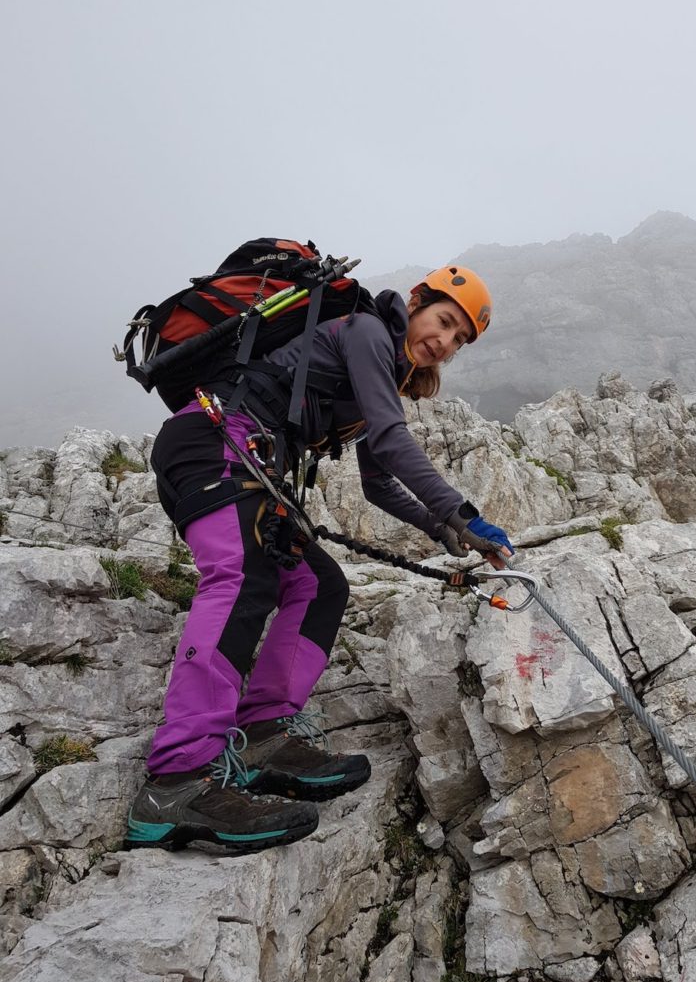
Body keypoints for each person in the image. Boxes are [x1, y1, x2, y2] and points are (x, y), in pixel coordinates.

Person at [125, 263, 514, 853]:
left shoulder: (378, 368)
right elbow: (389, 438)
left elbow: (378, 483)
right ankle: (177, 780)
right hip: (212, 443)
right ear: (416, 301)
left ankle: (263, 735)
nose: (444, 342)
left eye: (459, 340)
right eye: (444, 321)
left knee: (319, 586)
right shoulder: (364, 332)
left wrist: (445, 531)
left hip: (246, 459)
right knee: (242, 579)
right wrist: (462, 512)